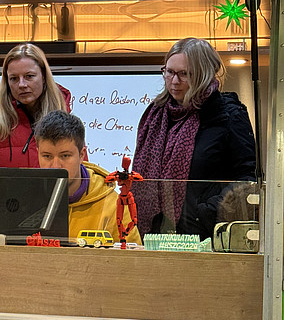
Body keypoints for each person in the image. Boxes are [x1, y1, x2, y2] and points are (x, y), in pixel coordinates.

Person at [132, 37, 256, 240]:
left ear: (204, 74)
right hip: (154, 237)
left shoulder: (228, 116)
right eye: (169, 72)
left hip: (204, 237)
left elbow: (246, 180)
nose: (174, 81)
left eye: (185, 74)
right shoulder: (155, 115)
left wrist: (205, 213)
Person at [34, 110, 141, 245]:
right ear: (38, 154)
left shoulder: (112, 205)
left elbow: (133, 260)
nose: (56, 166)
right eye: (47, 156)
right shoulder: (27, 199)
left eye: (65, 156)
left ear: (82, 155)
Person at [0, 43, 70, 168]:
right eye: (14, 78)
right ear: (7, 83)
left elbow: (82, 179)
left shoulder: (67, 126)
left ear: (44, 77)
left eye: (29, 76)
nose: (22, 84)